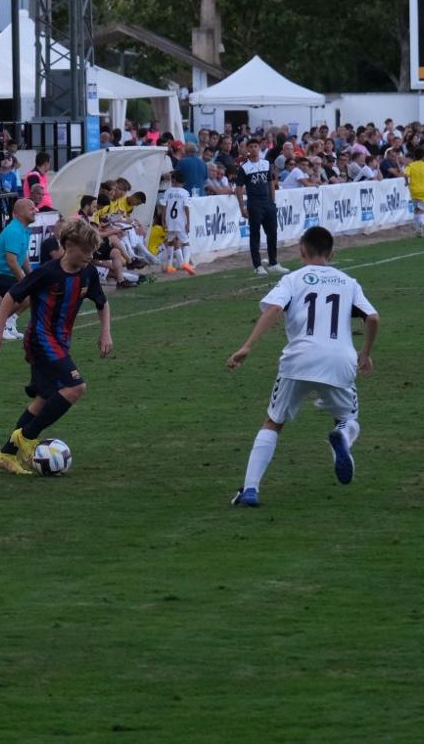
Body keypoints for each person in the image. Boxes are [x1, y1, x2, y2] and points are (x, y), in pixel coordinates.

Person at [225, 226, 380, 507]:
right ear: (332, 253)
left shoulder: (292, 279)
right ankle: (342, 436)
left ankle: (250, 490)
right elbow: (373, 319)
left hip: (298, 360)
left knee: (274, 422)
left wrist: (247, 346)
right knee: (348, 419)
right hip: (339, 360)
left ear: (301, 251)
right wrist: (365, 353)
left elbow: (273, 310)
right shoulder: (348, 281)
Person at [0, 218, 113, 475]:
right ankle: (27, 436)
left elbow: (102, 302)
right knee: (75, 387)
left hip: (61, 341)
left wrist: (105, 333)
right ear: (69, 245)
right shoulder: (48, 272)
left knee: (44, 399)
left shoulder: (87, 272)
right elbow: (12, 296)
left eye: (92, 251)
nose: (90, 256)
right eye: (86, 250)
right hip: (41, 340)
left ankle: (5, 454)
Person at [0, 198, 37, 340]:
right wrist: (26, 283)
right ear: (19, 212)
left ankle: (9, 323)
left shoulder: (23, 230)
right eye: (30, 208)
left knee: (30, 294)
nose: (35, 210)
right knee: (24, 295)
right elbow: (12, 262)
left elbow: (22, 256)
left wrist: (32, 277)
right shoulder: (14, 230)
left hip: (3, 273)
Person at [234, 140, 287, 276]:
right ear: (247, 149)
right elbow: (239, 188)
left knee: (272, 233)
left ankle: (273, 262)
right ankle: (257, 265)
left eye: (255, 146)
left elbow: (271, 182)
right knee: (255, 234)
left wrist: (273, 201)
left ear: (259, 148)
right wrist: (242, 207)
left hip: (268, 203)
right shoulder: (244, 168)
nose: (253, 149)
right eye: (250, 146)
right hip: (254, 203)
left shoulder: (266, 164)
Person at [159, 170, 194, 275]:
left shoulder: (168, 192)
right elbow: (187, 208)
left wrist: (163, 220)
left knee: (170, 241)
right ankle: (186, 263)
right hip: (180, 221)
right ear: (183, 182)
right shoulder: (184, 193)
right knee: (185, 242)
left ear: (173, 180)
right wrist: (188, 223)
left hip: (170, 221)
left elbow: (163, 207)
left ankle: (169, 265)